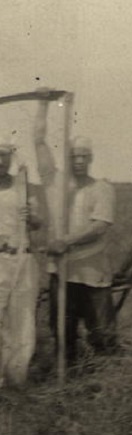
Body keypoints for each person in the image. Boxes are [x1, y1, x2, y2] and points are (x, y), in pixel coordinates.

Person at [35, 95, 118, 372]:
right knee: (62, 332)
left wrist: (66, 241)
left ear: (90, 158)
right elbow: (39, 142)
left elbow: (100, 226)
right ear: (67, 159)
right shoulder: (54, 182)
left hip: (93, 274)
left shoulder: (101, 188)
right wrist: (43, 105)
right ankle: (68, 379)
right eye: (74, 157)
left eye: (84, 156)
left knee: (102, 334)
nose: (79, 161)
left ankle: (109, 383)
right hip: (62, 273)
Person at [0, 138, 43, 387]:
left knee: (23, 320)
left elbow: (38, 223)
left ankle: (16, 378)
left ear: (10, 158)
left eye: (3, 155)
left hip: (23, 258)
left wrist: (32, 217)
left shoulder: (22, 186)